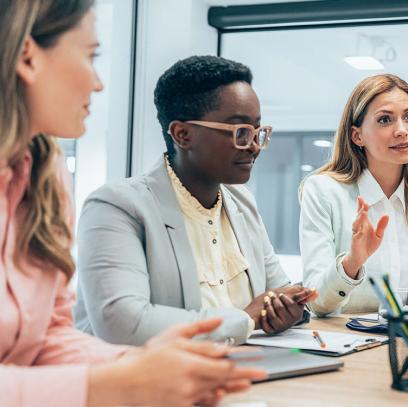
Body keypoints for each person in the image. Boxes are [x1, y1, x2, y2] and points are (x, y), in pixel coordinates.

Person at [0, 1, 264, 406]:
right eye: (90, 56)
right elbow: (119, 324)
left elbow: (47, 338)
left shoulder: (43, 176)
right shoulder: (117, 203)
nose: (98, 83)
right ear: (28, 57)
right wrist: (109, 385)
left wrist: (155, 371)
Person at [74, 55, 317, 346]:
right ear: (183, 134)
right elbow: (123, 322)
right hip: (149, 382)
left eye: (257, 131)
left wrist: (288, 310)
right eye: (240, 132)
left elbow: (278, 291)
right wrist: (248, 319)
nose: (254, 146)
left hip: (241, 371)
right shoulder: (116, 207)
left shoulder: (240, 201)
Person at [300, 74, 408, 315]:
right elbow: (315, 301)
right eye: (385, 119)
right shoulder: (323, 191)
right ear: (357, 136)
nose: (402, 130)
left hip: (407, 343)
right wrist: (353, 261)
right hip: (344, 344)